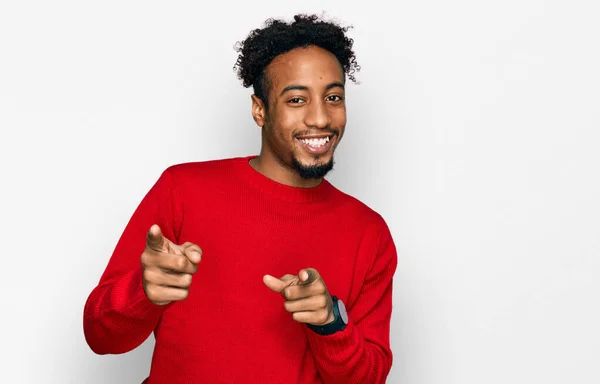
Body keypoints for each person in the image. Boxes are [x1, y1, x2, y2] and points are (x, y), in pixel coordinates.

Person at [83, 13, 398, 384]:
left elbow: (368, 378)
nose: (320, 118)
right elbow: (100, 336)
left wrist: (330, 323)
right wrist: (143, 292)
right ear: (259, 110)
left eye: (333, 97)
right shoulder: (182, 189)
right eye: (297, 99)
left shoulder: (368, 232)